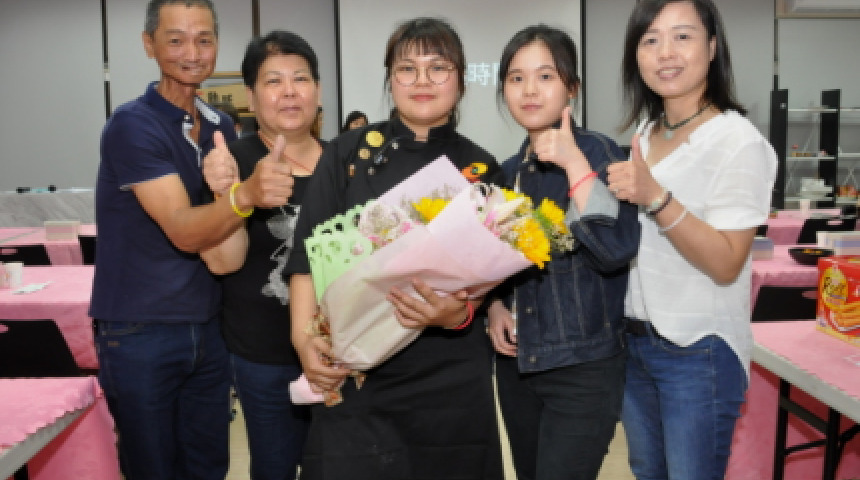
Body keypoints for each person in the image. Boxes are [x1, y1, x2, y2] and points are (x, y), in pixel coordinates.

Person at [285, 17, 507, 480]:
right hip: (357, 362)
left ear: (461, 80)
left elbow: (490, 280)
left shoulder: (482, 170)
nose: (422, 81)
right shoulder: (347, 154)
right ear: (390, 79)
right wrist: (303, 340)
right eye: (407, 69)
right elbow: (307, 256)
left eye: (438, 68)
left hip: (448, 371)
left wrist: (458, 314)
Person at [90, 1, 294, 478]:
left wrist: (232, 196)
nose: (192, 52)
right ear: (149, 45)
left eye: (204, 39)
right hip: (141, 328)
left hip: (207, 324)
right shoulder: (133, 124)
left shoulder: (220, 125)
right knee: (153, 467)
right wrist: (245, 195)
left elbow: (225, 248)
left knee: (208, 465)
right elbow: (183, 229)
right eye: (175, 39)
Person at [606, 0, 777, 478]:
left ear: (712, 47)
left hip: (698, 351)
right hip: (635, 343)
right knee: (647, 472)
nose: (666, 53)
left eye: (682, 36)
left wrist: (657, 198)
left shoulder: (737, 141)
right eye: (651, 40)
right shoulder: (645, 133)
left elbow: (727, 261)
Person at [486, 25, 640, 480]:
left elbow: (614, 249)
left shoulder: (602, 156)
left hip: (583, 368)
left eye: (545, 76)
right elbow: (496, 266)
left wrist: (574, 164)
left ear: (572, 87)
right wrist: (495, 305)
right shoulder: (506, 174)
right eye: (516, 78)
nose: (529, 90)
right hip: (519, 365)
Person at [200, 29, 323, 480]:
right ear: (251, 97)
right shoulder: (230, 161)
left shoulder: (345, 163)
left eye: (300, 79)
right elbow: (223, 262)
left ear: (318, 91)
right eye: (274, 81)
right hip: (262, 356)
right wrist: (231, 194)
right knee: (274, 468)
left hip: (339, 353)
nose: (289, 91)